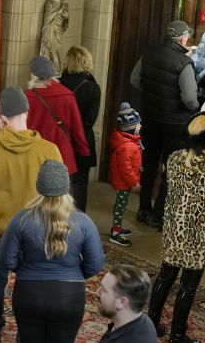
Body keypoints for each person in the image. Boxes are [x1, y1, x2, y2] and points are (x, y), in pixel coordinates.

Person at [1, 160, 105, 343]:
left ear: (39, 187)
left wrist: (27, 268)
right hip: (69, 298)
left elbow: (7, 260)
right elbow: (95, 264)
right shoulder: (83, 221)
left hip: (29, 294)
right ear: (67, 187)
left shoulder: (22, 220)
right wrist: (73, 273)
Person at [0, 86, 64, 343]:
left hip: (0, 230)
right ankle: (26, 337)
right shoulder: (49, 150)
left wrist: (1, 126)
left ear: (1, 115)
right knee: (29, 284)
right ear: (27, 111)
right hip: (34, 231)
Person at [148, 112, 205, 343]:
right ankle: (177, 335)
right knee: (188, 286)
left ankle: (151, 323)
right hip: (198, 238)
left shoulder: (175, 159)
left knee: (165, 276)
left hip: (174, 231)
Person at [130, 19, 199, 227]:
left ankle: (143, 210)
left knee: (149, 164)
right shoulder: (184, 63)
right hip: (174, 124)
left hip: (151, 118)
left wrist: (153, 96)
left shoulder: (149, 53)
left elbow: (134, 80)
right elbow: (189, 99)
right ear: (183, 38)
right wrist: (195, 108)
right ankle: (158, 216)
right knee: (171, 168)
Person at [25, 54, 89, 176]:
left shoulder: (26, 97)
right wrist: (83, 149)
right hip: (61, 155)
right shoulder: (67, 96)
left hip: (33, 156)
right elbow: (77, 127)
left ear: (33, 74)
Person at [58, 45, 102, 211]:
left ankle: (56, 217)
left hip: (61, 140)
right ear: (86, 62)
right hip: (82, 139)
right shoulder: (92, 88)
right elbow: (90, 120)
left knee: (58, 182)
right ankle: (78, 218)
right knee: (80, 184)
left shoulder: (57, 84)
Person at [107, 103, 143, 247]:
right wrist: (134, 182)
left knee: (121, 205)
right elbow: (126, 170)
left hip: (124, 182)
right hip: (124, 183)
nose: (140, 126)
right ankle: (115, 234)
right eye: (138, 124)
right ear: (130, 127)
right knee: (121, 207)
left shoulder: (129, 142)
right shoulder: (127, 146)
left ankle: (117, 228)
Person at [38, 0, 69, 66]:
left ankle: (57, 67)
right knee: (50, 47)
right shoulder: (49, 3)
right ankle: (49, 65)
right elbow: (47, 18)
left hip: (58, 29)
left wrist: (66, 16)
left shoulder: (63, 4)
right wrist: (58, 11)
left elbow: (66, 19)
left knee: (58, 48)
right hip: (50, 28)